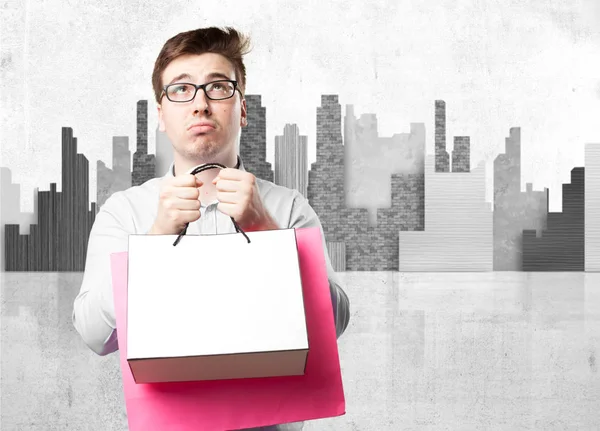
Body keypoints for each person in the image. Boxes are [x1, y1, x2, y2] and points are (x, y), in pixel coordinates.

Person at [72, 26, 350, 431]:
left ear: (241, 109)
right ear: (163, 115)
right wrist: (156, 240)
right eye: (181, 90)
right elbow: (95, 335)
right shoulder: (125, 212)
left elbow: (334, 326)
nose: (200, 104)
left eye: (218, 88)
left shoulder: (288, 208)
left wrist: (268, 232)